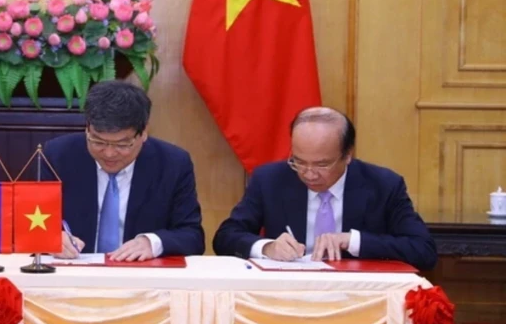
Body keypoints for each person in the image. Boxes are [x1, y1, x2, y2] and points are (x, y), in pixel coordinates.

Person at [213, 107, 437, 270]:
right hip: (286, 295)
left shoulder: (383, 185)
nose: (309, 174)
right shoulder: (270, 179)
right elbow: (225, 237)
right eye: (298, 161)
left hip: (355, 297)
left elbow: (423, 251)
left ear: (347, 155)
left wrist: (352, 241)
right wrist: (267, 247)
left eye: (322, 164)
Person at [42, 81, 205, 261]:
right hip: (74, 273)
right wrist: (51, 237)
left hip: (142, 278)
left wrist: (154, 242)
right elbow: (26, 223)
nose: (109, 153)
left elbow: (192, 236)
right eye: (98, 142)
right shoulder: (57, 156)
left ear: (143, 133)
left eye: (122, 144)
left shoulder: (173, 164)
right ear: (87, 128)